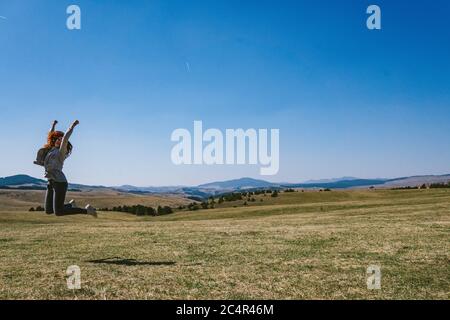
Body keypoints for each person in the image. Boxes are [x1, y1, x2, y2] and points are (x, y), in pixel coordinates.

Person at [43, 120, 97, 217]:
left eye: (61, 139)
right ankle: (71, 205)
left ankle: (87, 210)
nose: (59, 141)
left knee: (58, 212)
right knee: (48, 210)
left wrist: (72, 126)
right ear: (54, 139)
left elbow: (66, 137)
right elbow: (50, 135)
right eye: (57, 139)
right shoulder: (50, 150)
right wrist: (53, 125)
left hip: (59, 182)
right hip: (50, 182)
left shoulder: (61, 152)